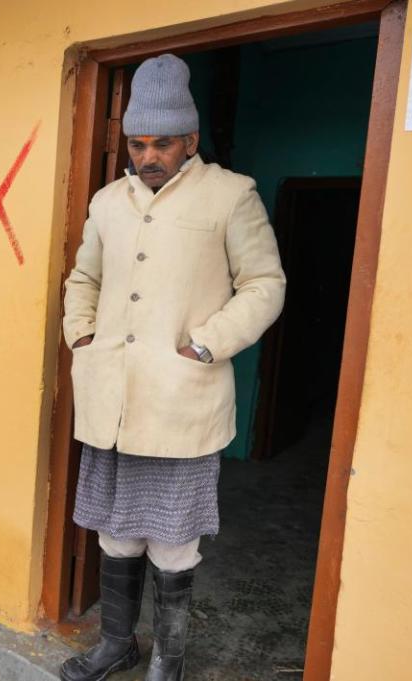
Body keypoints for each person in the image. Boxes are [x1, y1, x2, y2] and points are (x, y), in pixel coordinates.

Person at [60, 54, 286, 681]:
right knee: (114, 533)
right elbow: (84, 277)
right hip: (113, 400)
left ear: (190, 140)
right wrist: (80, 333)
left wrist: (207, 344)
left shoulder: (230, 194)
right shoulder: (109, 201)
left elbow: (265, 284)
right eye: (138, 143)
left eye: (163, 143)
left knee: (173, 539)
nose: (149, 155)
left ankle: (169, 657)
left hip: (180, 399)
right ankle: (116, 645)